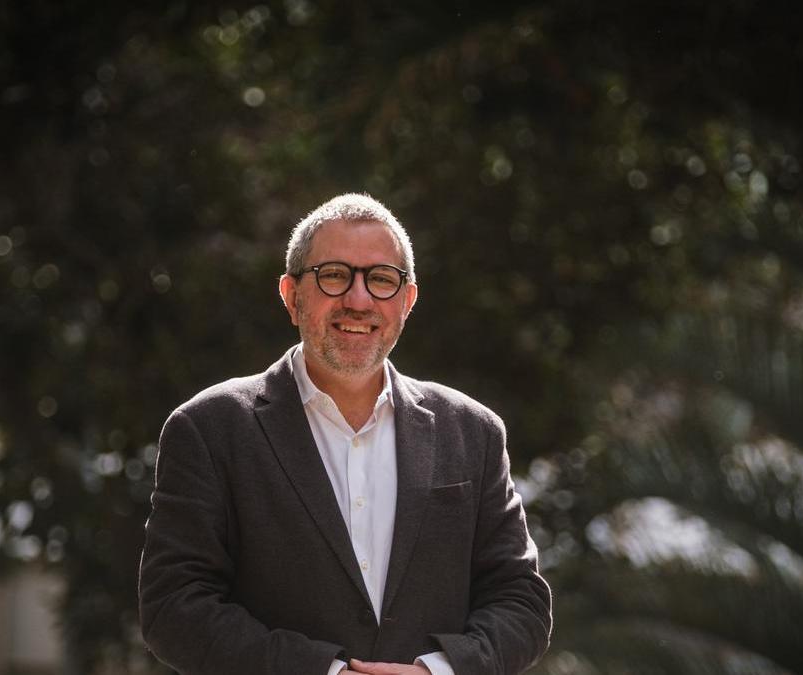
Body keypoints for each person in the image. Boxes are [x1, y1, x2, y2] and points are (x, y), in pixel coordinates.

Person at [138, 193, 551, 675]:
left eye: (381, 280)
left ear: (407, 301)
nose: (358, 300)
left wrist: (437, 672)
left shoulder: (473, 432)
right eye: (334, 275)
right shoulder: (209, 429)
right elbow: (174, 609)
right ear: (291, 295)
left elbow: (522, 602)